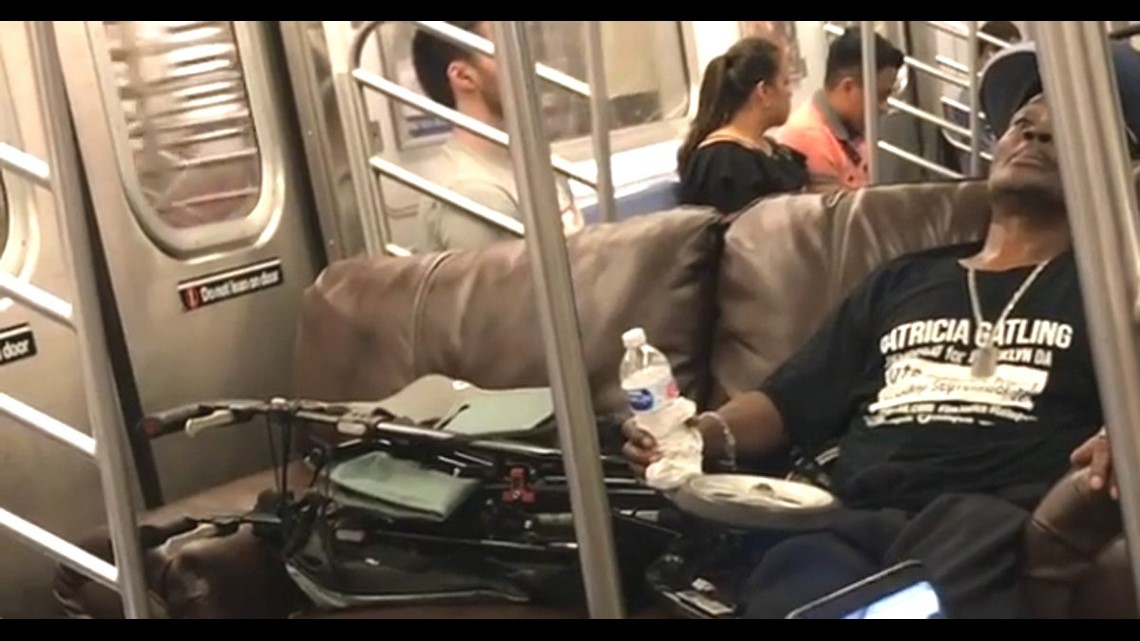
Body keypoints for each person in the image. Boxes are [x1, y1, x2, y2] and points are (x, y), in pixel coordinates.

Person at [623, 92, 1123, 618]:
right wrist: (693, 433)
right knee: (792, 576)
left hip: (989, 514)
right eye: (1022, 121)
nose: (1034, 133)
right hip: (855, 514)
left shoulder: (1109, 288)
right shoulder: (903, 281)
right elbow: (786, 401)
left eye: (1060, 128)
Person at [411, 21, 584, 253]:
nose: (527, 62)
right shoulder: (473, 195)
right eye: (506, 50)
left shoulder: (536, 162)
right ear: (463, 77)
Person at [675, 37, 809, 215]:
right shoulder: (723, 163)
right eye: (785, 82)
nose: (790, 92)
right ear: (764, 92)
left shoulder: (769, 149)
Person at [777, 29, 905, 192]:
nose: (883, 108)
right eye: (880, 96)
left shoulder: (851, 130)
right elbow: (837, 209)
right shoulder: (806, 138)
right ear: (848, 87)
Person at [945, 21, 1024, 174]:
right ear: (984, 55)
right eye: (999, 51)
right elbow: (984, 156)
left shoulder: (1010, 93)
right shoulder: (970, 100)